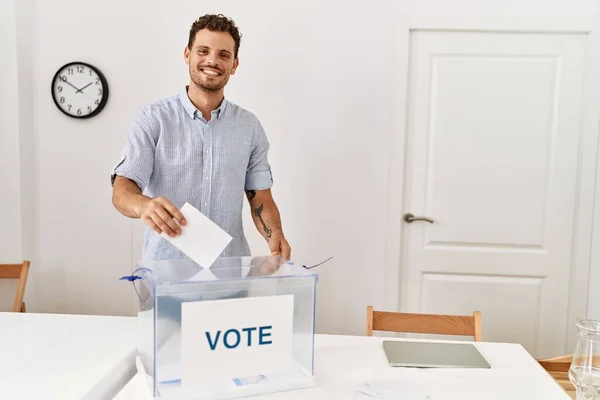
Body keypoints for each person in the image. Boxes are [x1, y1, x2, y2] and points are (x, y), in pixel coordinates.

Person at [110, 13, 291, 263]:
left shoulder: (249, 127)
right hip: (166, 273)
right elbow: (122, 190)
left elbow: (260, 197)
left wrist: (275, 234)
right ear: (187, 54)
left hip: (230, 272)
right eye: (203, 51)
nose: (212, 61)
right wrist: (143, 206)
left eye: (224, 55)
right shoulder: (152, 119)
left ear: (234, 65)